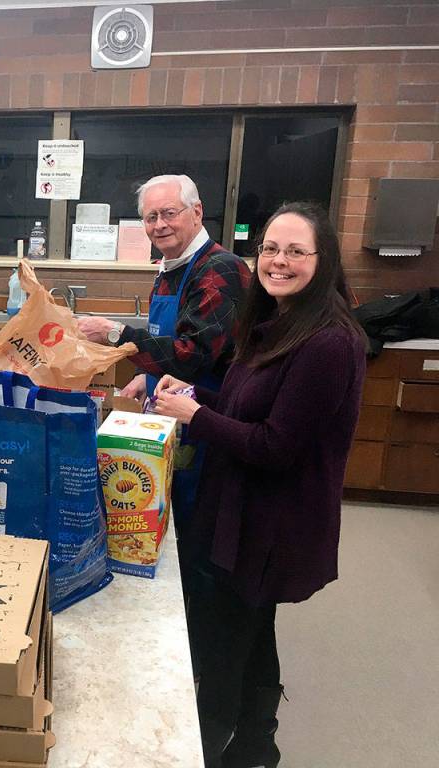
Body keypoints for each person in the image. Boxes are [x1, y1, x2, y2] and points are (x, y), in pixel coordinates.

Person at [151, 202, 367, 768]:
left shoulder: (328, 343)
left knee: (223, 644)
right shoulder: (276, 322)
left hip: (271, 526)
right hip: (240, 512)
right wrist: (195, 396)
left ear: (324, 260)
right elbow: (245, 408)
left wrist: (192, 416)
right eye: (270, 248)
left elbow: (275, 446)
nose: (278, 260)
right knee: (252, 631)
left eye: (296, 251)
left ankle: (211, 747)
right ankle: (256, 746)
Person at [79, 174, 251, 535]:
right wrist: (148, 376)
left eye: (169, 213)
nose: (159, 225)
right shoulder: (171, 267)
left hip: (209, 423)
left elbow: (192, 357)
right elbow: (175, 340)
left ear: (197, 212)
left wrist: (116, 334)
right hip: (171, 415)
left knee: (196, 529)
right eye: (150, 217)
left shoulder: (219, 269)